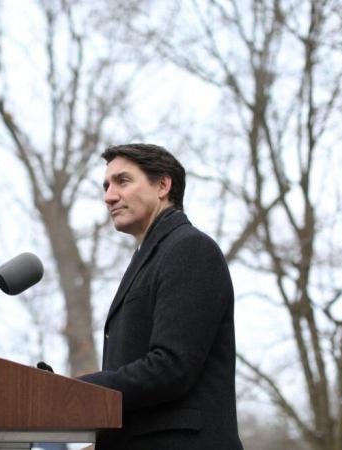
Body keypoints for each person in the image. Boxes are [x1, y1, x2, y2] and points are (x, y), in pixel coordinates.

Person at [78, 144, 243, 449]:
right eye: (106, 186)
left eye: (122, 181)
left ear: (163, 186)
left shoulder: (190, 249)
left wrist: (75, 391)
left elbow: (171, 367)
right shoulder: (148, 258)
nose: (109, 196)